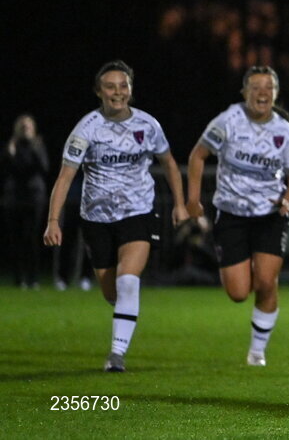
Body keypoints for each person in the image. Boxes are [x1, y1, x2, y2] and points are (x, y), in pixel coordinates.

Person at [42, 61, 189, 371]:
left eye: (123, 86)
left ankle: (116, 355)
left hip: (138, 213)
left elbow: (170, 164)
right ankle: (127, 309)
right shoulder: (86, 129)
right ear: (99, 91)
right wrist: (53, 220)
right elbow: (66, 177)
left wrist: (180, 203)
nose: (117, 92)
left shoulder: (148, 126)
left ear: (131, 90)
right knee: (113, 292)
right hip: (96, 219)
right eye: (110, 86)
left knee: (127, 282)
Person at [187, 65, 289, 367]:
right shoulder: (228, 121)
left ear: (276, 94)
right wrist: (192, 199)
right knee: (238, 292)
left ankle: (257, 351)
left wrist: (288, 199)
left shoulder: (284, 131)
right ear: (244, 92)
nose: (262, 92)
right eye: (256, 87)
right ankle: (254, 278)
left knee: (265, 281)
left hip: (270, 213)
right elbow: (197, 155)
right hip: (231, 214)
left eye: (269, 87)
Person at [3, 115, 49, 289]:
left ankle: (33, 278)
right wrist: (10, 152)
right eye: (22, 127)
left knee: (31, 238)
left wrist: (36, 149)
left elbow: (44, 168)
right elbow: (7, 169)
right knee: (16, 240)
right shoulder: (11, 147)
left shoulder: (37, 146)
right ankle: (18, 278)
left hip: (33, 198)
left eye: (28, 126)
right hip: (14, 198)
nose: (25, 129)